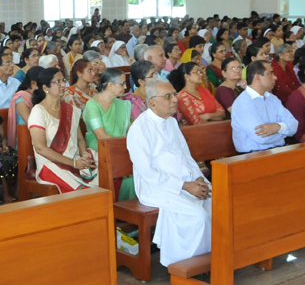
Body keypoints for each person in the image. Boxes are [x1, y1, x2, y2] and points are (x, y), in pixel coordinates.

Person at [127, 78, 212, 266]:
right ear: (152, 102)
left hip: (186, 181)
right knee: (198, 217)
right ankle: (185, 265)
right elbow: (148, 173)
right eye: (168, 96)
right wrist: (185, 186)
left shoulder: (171, 123)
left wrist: (198, 178)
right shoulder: (139, 129)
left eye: (174, 94)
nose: (174, 99)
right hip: (156, 188)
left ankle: (211, 258)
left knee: (218, 200)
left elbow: (186, 155)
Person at [28, 68, 98, 193]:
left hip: (74, 158)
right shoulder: (38, 112)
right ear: (45, 88)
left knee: (104, 171)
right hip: (51, 164)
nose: (63, 85)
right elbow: (40, 148)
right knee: (85, 191)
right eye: (57, 81)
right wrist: (74, 163)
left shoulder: (70, 110)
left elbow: (80, 138)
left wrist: (84, 154)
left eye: (63, 80)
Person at [83, 68, 135, 201]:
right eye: (122, 84)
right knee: (131, 177)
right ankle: (121, 212)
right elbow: (101, 136)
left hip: (122, 148)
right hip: (101, 150)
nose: (125, 87)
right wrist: (125, 150)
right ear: (110, 85)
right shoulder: (92, 105)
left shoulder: (123, 105)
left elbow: (130, 131)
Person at [231, 60, 297, 153]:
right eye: (270, 73)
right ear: (257, 77)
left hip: (277, 151)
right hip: (252, 156)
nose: (275, 77)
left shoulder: (272, 99)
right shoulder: (243, 102)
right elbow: (261, 138)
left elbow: (294, 125)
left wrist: (277, 127)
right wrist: (284, 131)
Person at [7, 66, 43, 147]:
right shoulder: (21, 98)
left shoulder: (38, 96)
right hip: (25, 138)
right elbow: (32, 123)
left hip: (38, 135)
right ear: (34, 83)